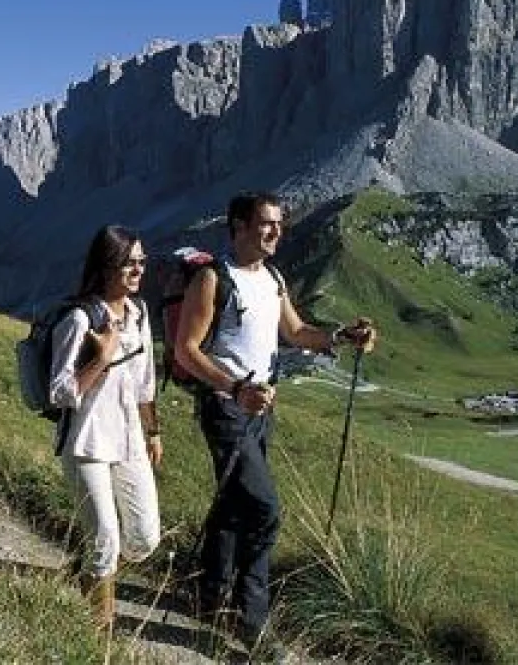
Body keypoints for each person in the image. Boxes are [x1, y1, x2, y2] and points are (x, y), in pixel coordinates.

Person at [175, 193, 377, 653]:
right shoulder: (212, 279)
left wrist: (342, 336)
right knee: (264, 509)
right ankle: (253, 625)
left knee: (232, 506)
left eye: (279, 225)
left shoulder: (273, 279)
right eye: (266, 224)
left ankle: (211, 599)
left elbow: (297, 332)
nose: (275, 232)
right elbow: (187, 349)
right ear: (239, 226)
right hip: (227, 407)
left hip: (261, 407)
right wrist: (234, 390)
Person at [49, 224, 163, 631]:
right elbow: (59, 392)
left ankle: (86, 570)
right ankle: (99, 636)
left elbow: (145, 382)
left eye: (142, 262)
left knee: (145, 539)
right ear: (107, 265)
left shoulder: (139, 314)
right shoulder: (80, 319)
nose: (138, 270)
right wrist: (103, 356)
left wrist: (153, 432)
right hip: (86, 442)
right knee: (106, 542)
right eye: (130, 263)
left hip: (129, 438)